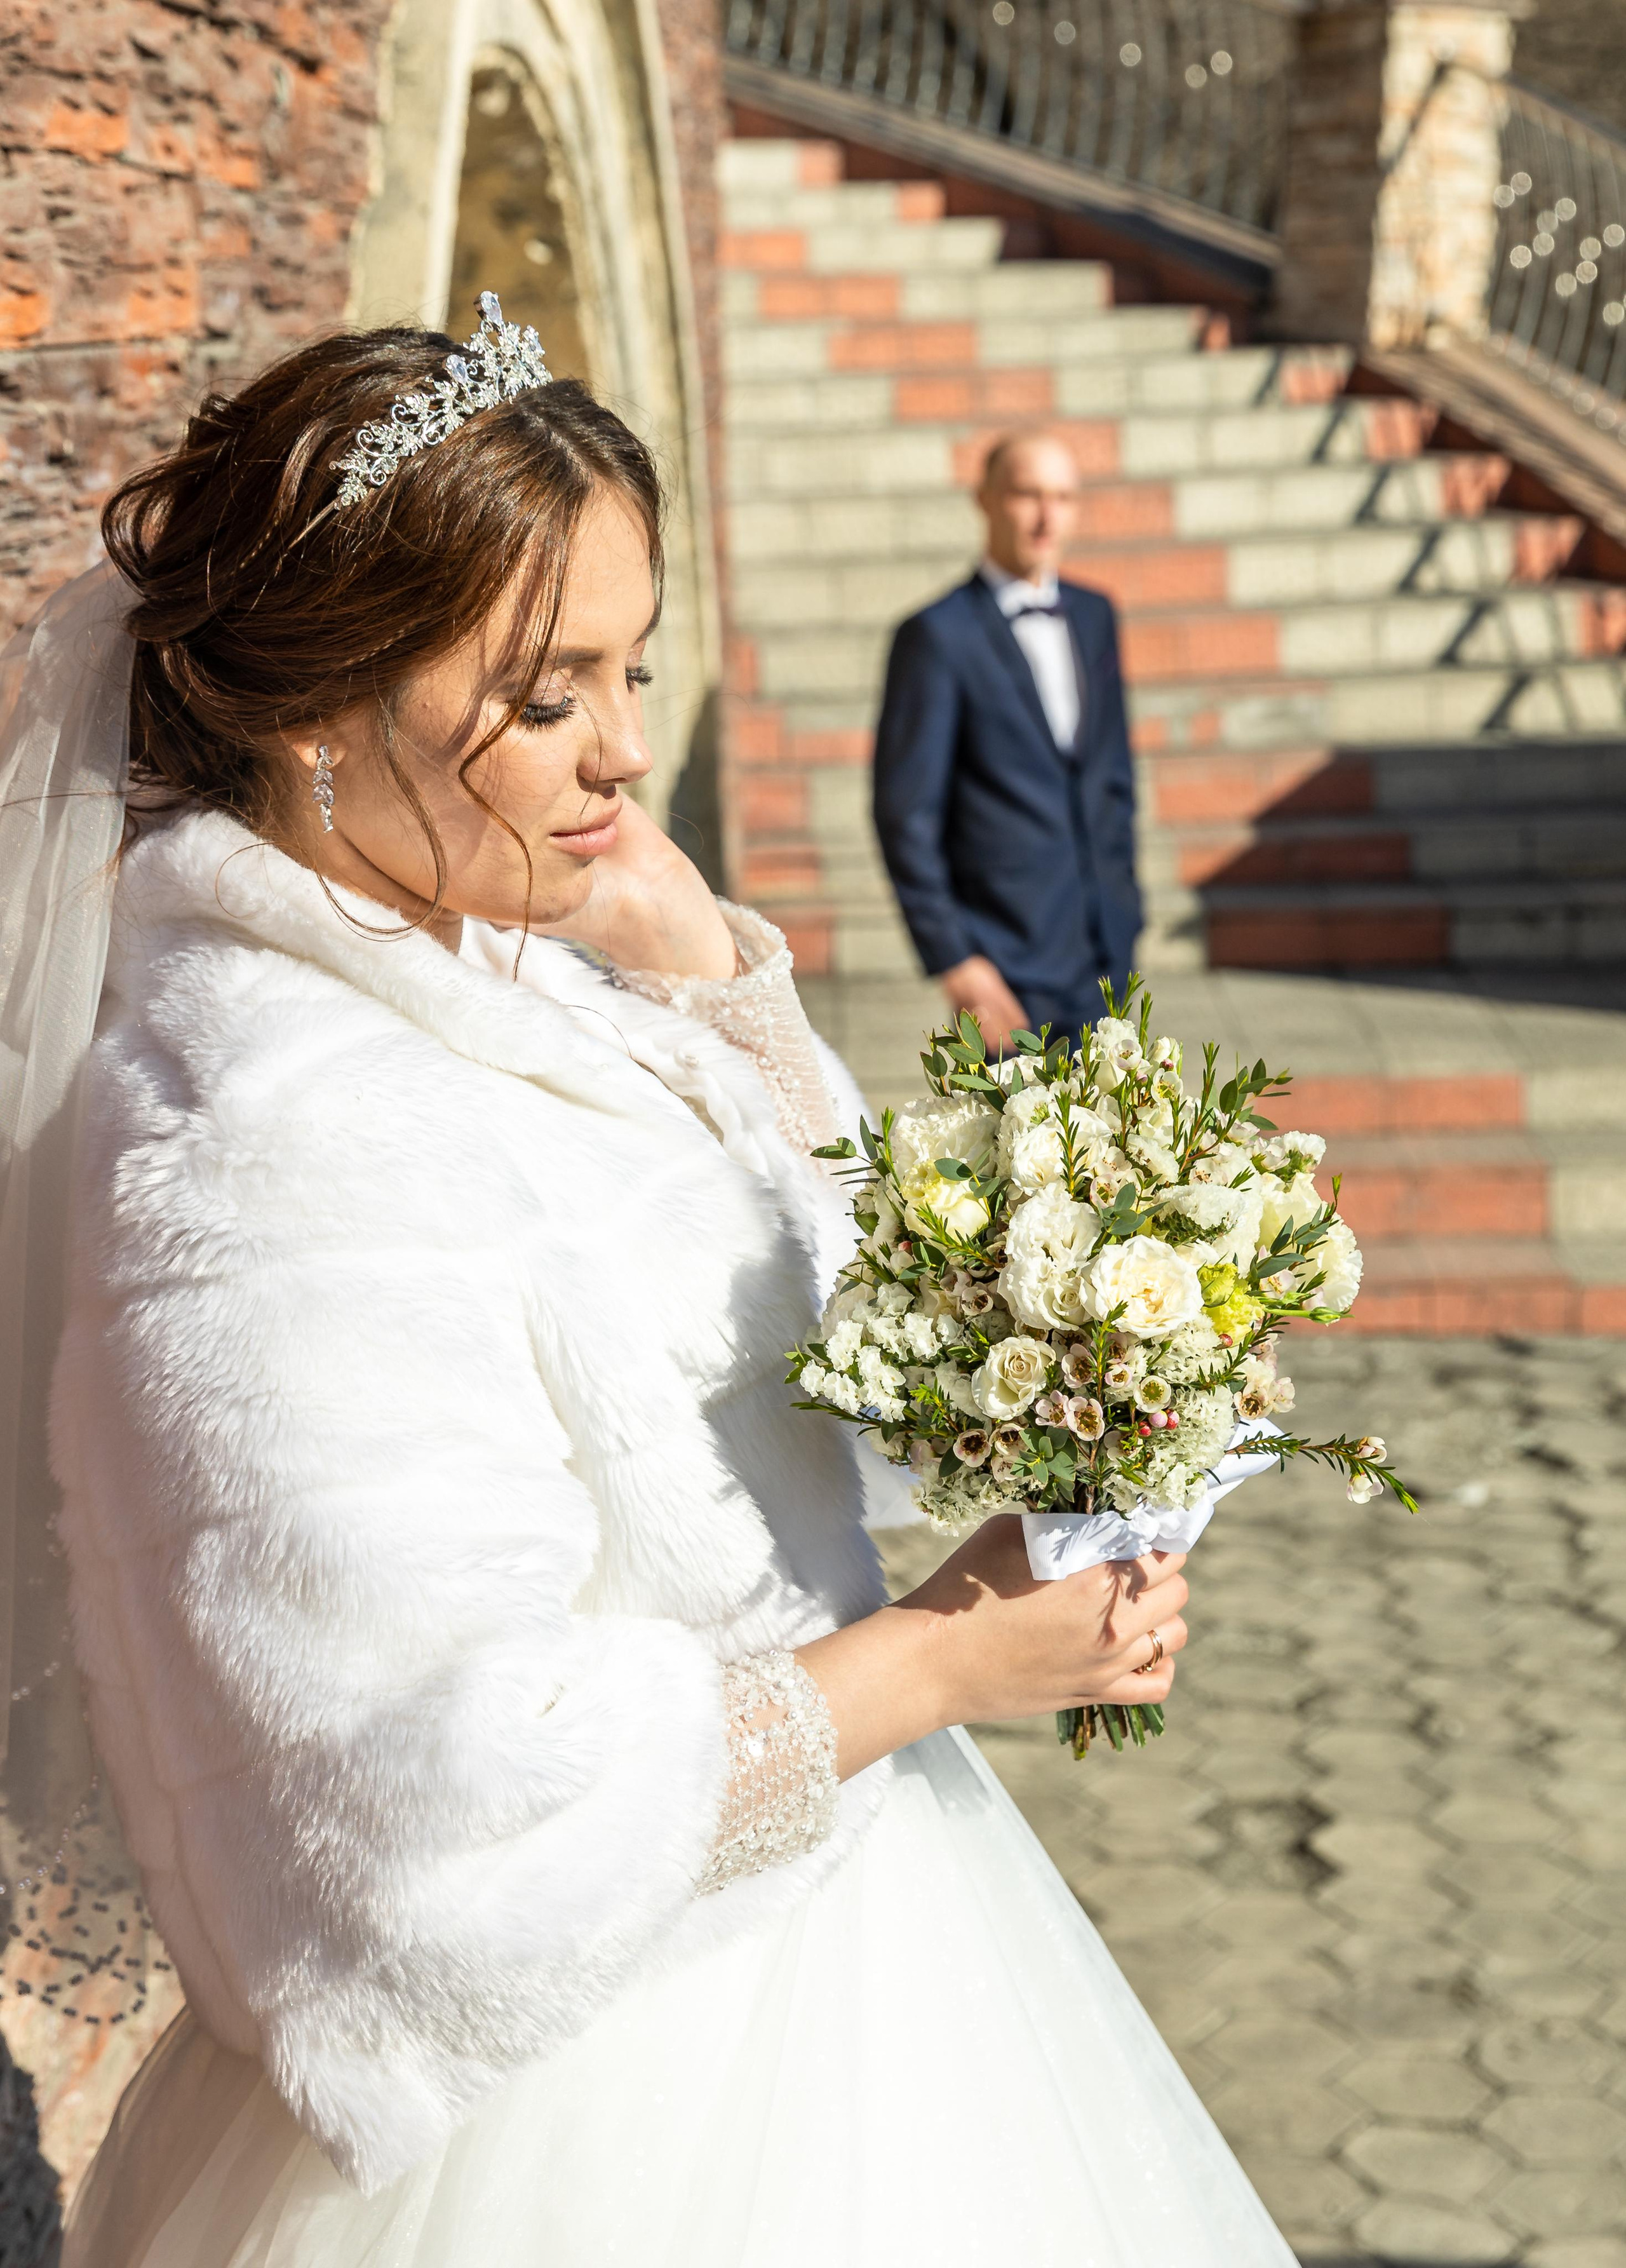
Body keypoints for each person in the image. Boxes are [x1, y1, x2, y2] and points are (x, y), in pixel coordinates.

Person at [0, 299, 1298, 2265]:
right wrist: (936, 1656)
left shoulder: (499, 973)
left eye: (635, 668)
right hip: (583, 2125)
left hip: (842, 1948)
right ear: (314, 718)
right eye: (544, 697)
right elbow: (411, 1835)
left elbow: (813, 1362)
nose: (625, 750)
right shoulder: (269, 1128)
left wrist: (707, 964)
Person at [872, 429, 1142, 1051]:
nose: (1048, 518)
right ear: (985, 500)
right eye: (1027, 495)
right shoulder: (936, 637)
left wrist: (1126, 905)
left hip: (1107, 954)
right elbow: (905, 814)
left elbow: (1111, 777)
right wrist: (955, 960)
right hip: (1006, 969)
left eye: (1063, 498)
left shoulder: (1096, 615)